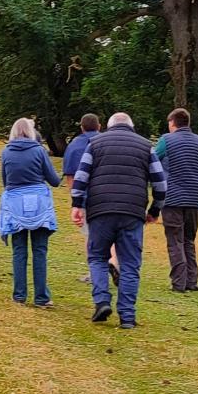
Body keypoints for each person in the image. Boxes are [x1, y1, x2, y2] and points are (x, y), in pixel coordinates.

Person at [71, 112, 167, 329]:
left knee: (97, 257)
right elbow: (161, 185)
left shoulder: (95, 144)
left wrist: (77, 204)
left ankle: (102, 301)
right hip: (132, 212)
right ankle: (127, 316)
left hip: (100, 209)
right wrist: (154, 210)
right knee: (130, 263)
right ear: (131, 126)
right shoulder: (146, 146)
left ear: (108, 126)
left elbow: (81, 177)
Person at [0, 118, 61, 307]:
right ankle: (41, 297)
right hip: (39, 203)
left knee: (19, 250)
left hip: (15, 203)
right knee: (39, 250)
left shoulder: (6, 151)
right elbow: (54, 180)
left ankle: (19, 295)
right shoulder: (39, 151)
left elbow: (5, 181)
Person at [154, 108, 198, 293]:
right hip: (195, 198)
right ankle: (191, 280)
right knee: (189, 239)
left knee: (175, 240)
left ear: (172, 123)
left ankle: (178, 282)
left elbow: (153, 160)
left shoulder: (166, 140)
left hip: (172, 198)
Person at [62, 113, 119, 284]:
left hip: (87, 197)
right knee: (111, 233)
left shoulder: (74, 146)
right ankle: (114, 262)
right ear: (99, 126)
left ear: (81, 127)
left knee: (90, 235)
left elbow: (71, 176)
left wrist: (75, 201)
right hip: (109, 194)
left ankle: (94, 272)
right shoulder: (109, 142)